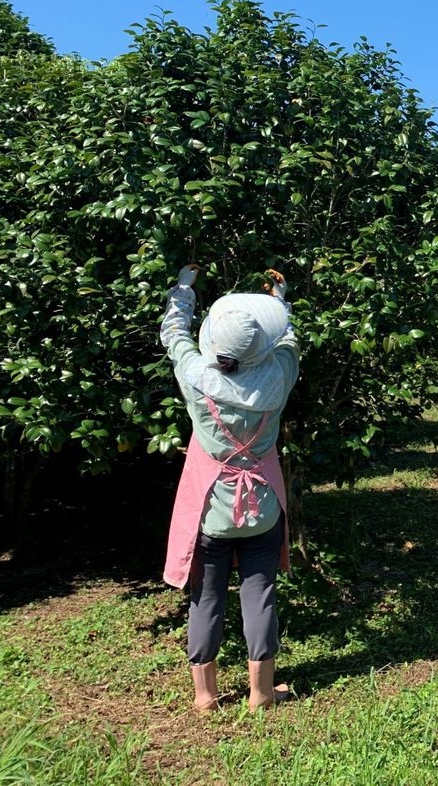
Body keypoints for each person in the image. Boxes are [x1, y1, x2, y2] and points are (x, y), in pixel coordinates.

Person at [161, 263, 300, 711]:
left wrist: (184, 291)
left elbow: (174, 334)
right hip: (263, 508)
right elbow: (288, 339)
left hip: (211, 512)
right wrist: (279, 299)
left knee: (205, 599)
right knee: (260, 597)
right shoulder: (279, 377)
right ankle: (261, 693)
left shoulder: (195, 377)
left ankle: (205, 696)